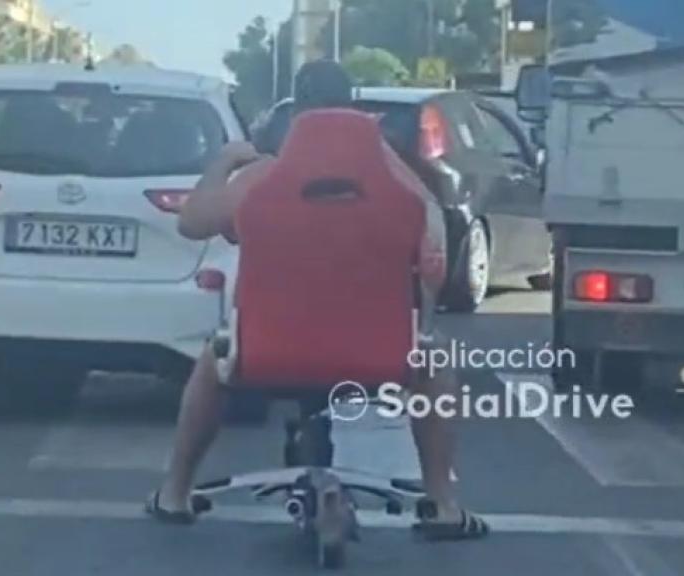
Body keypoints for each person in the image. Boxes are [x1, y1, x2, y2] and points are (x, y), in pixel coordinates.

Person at [146, 60, 489, 541]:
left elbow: (192, 223)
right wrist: (384, 157)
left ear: (294, 115)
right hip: (381, 359)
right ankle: (443, 504)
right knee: (434, 368)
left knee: (213, 362)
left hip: (265, 354)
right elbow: (434, 257)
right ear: (355, 113)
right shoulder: (397, 189)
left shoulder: (260, 181)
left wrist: (225, 162)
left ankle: (175, 494)